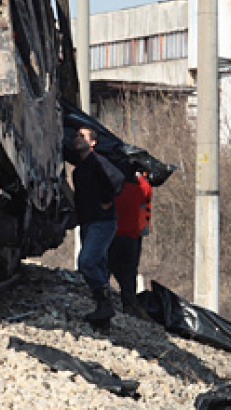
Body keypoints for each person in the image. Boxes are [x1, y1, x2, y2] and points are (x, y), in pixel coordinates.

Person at [72, 126, 124, 324]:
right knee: (99, 266)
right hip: (88, 221)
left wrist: (106, 199)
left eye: (82, 136)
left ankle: (104, 305)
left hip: (102, 221)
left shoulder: (98, 162)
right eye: (76, 135)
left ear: (93, 142)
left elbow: (117, 179)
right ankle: (103, 317)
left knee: (86, 262)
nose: (77, 139)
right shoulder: (80, 169)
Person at [108, 171, 152, 319]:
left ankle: (103, 302)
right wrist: (141, 176)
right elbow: (147, 191)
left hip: (111, 236)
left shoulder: (112, 186)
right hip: (131, 238)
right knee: (128, 274)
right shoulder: (139, 188)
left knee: (105, 270)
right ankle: (129, 307)